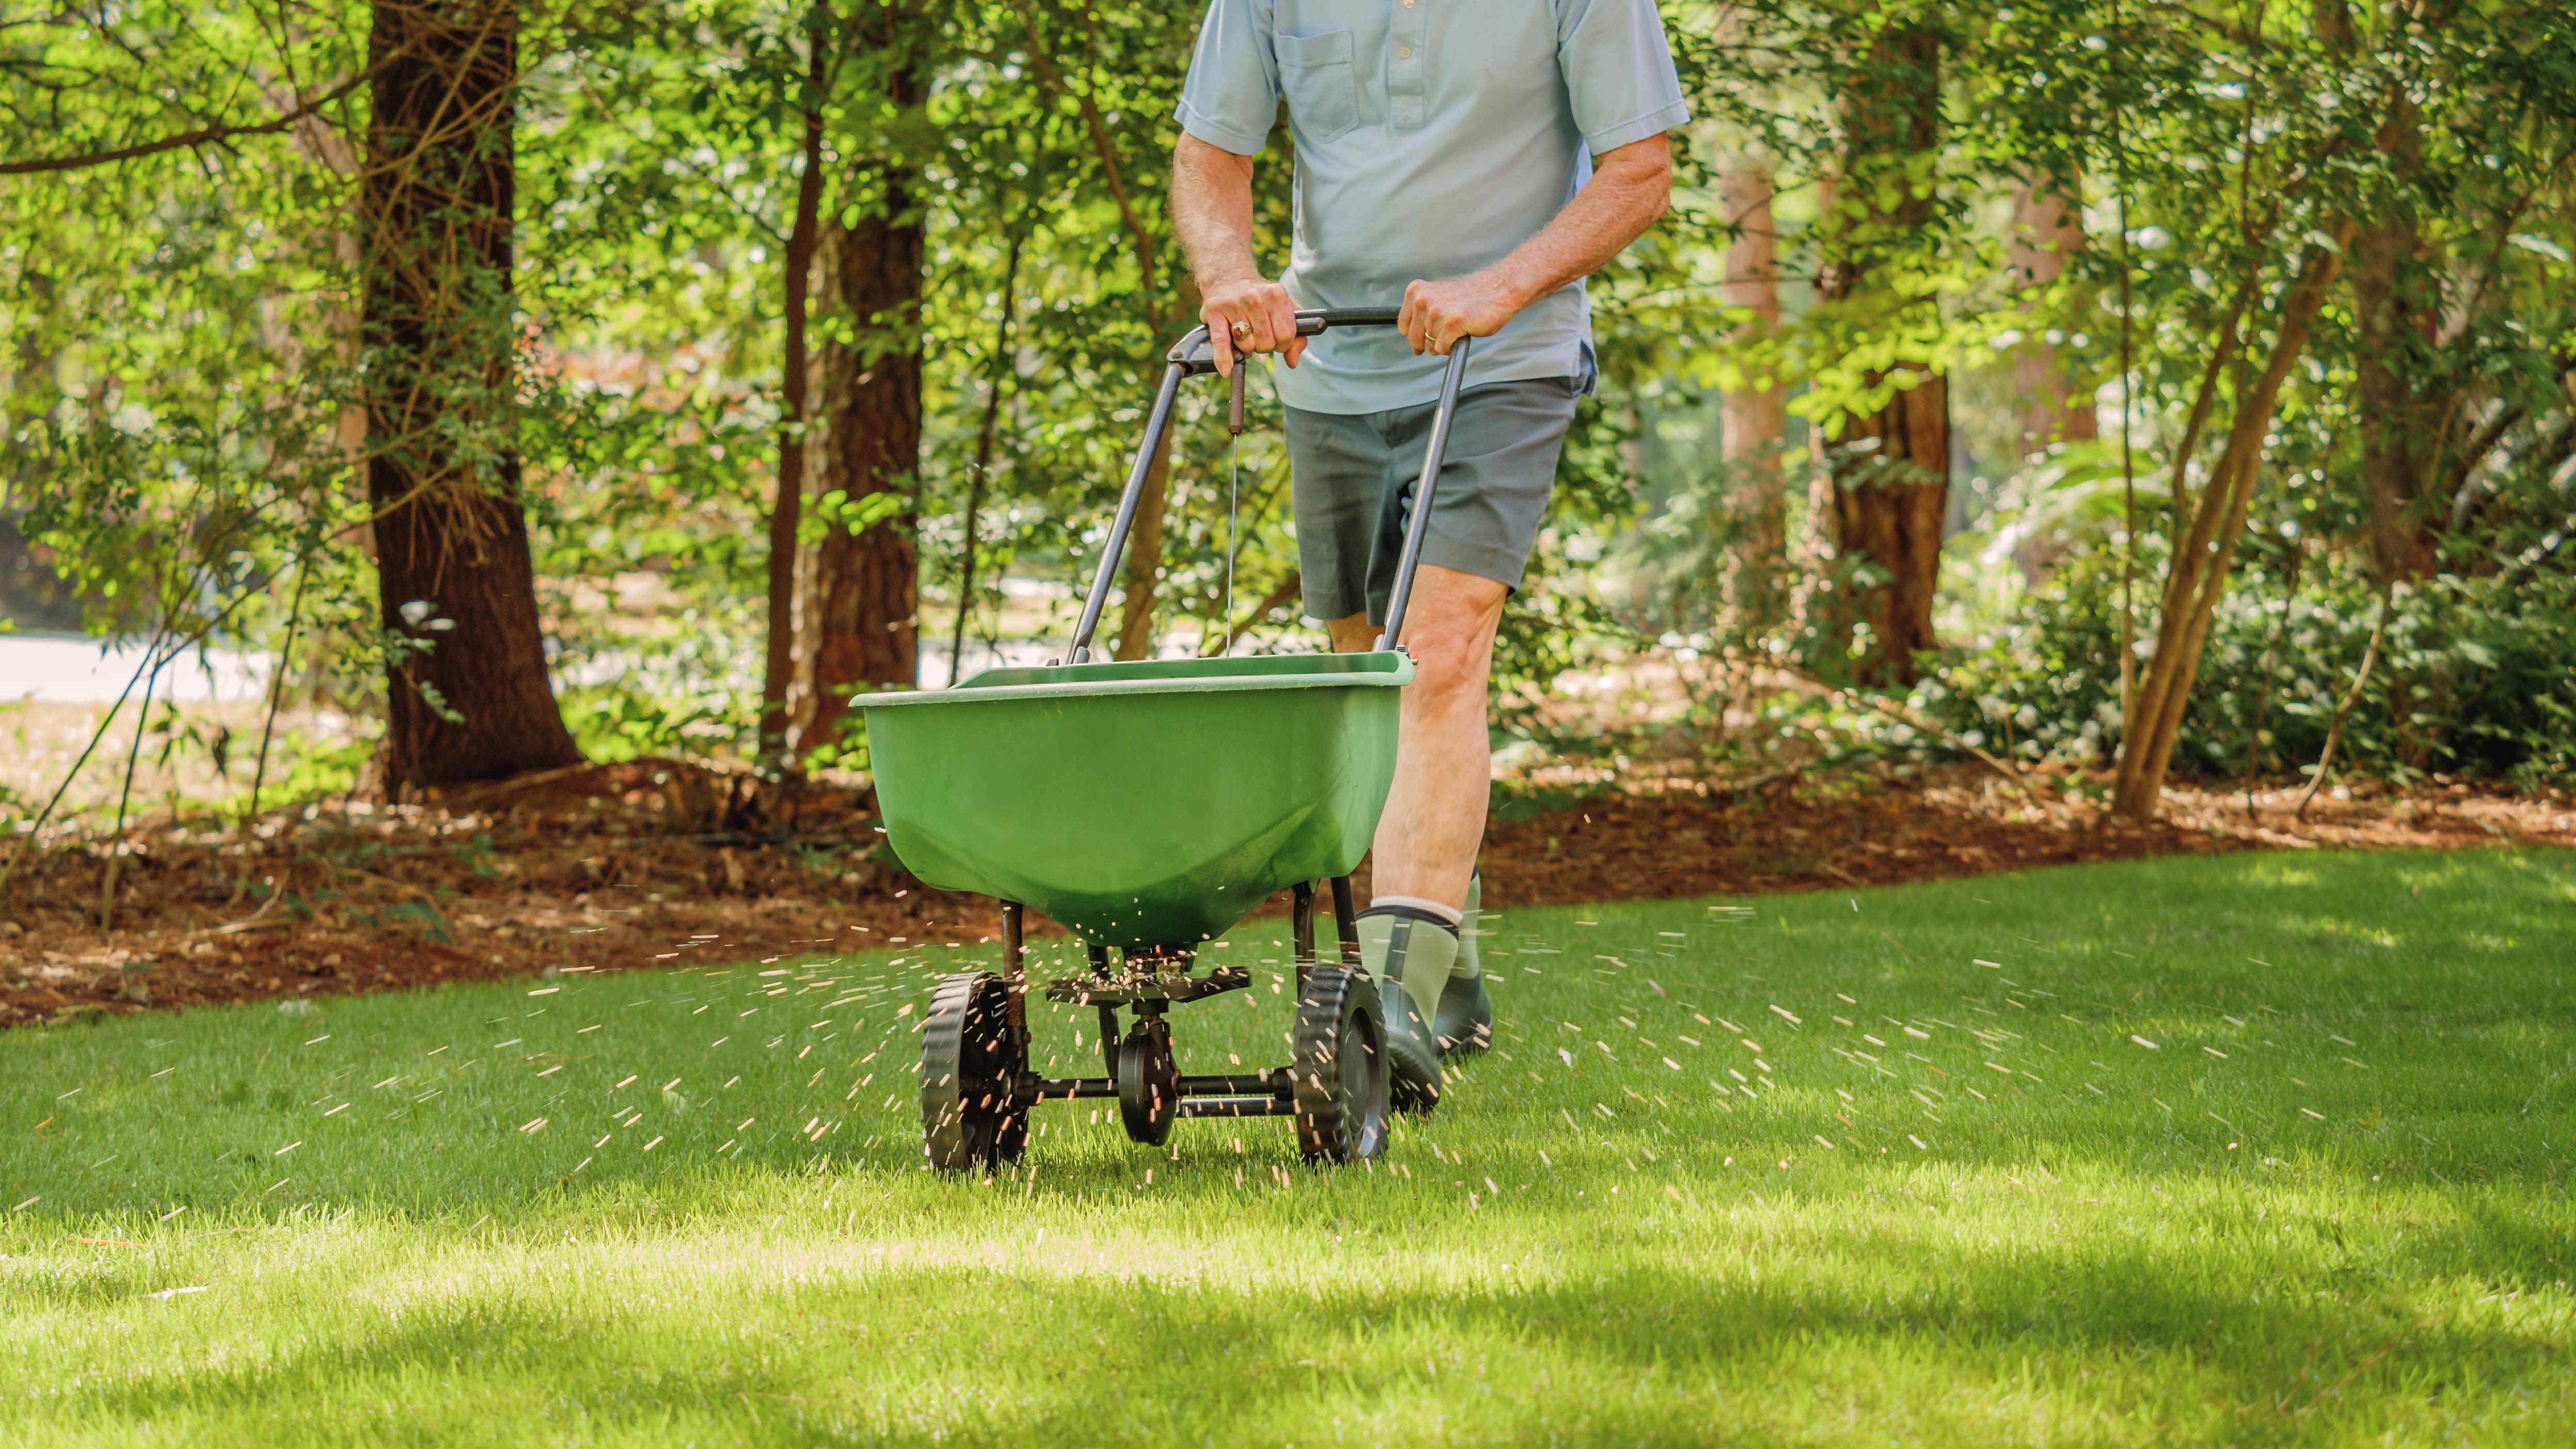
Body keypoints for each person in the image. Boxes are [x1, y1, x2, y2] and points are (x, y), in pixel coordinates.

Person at [1170, 1, 1687, 1107]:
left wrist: (1498, 289)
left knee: (1437, 655)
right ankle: (1448, 961)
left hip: (1505, 359)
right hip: (1334, 366)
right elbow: (1213, 152)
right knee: (1366, 676)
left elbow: (1640, 169)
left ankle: (1393, 1005)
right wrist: (1229, 277)